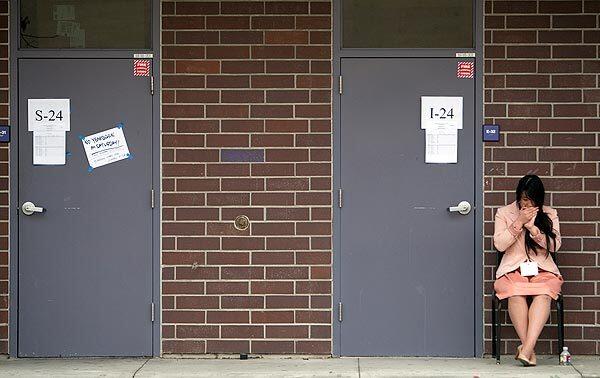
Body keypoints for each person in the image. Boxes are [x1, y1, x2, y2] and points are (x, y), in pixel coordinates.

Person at [493, 175, 563, 367]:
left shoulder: (549, 214)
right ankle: (528, 350)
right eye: (524, 199)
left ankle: (526, 349)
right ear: (518, 197)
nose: (527, 203)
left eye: (532, 200)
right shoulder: (504, 213)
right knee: (515, 292)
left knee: (544, 293)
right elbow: (499, 244)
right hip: (513, 268)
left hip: (542, 269)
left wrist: (534, 229)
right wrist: (518, 223)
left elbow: (555, 245)